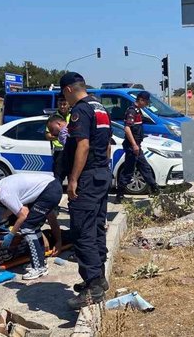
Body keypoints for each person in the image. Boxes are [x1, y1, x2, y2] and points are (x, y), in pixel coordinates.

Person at [60, 72, 113, 309]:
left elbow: (83, 145)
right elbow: (109, 145)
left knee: (83, 231)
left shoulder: (80, 110)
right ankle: (98, 278)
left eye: (64, 94)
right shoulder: (100, 108)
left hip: (88, 177)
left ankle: (93, 287)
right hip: (102, 173)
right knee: (97, 226)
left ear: (69, 89)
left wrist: (73, 179)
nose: (65, 99)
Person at [0, 173, 63, 280]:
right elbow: (18, 209)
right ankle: (40, 263)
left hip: (50, 190)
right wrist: (0, 218)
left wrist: (11, 235)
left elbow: (23, 215)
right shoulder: (2, 186)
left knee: (27, 227)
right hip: (52, 186)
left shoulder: (4, 195)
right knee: (31, 227)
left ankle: (39, 267)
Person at [116, 91, 159, 201]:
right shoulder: (132, 111)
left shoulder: (138, 111)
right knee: (129, 171)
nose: (146, 104)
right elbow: (127, 128)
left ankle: (155, 189)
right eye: (146, 102)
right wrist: (134, 145)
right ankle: (119, 195)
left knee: (144, 167)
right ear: (140, 100)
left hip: (136, 146)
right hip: (132, 146)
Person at [46, 95, 70, 180]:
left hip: (71, 152)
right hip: (59, 152)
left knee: (73, 179)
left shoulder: (73, 115)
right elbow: (48, 135)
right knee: (58, 179)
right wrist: (60, 137)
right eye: (60, 104)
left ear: (68, 104)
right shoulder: (53, 118)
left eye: (64, 104)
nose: (62, 106)